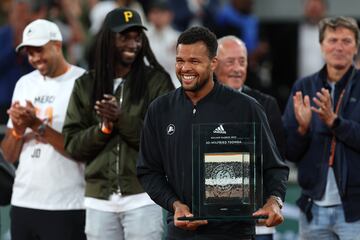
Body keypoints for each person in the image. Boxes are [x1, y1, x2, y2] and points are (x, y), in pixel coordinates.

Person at [137, 26, 288, 240]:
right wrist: (175, 204)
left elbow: (275, 167)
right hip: (181, 231)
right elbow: (148, 170)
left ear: (213, 63)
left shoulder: (247, 108)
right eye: (180, 60)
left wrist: (274, 201)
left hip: (234, 233)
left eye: (194, 61)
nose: (185, 68)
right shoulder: (160, 109)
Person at [62, 8, 174, 240]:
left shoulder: (157, 82)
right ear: (107, 39)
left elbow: (164, 142)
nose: (132, 43)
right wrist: (104, 128)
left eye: (137, 37)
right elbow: (72, 145)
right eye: (125, 37)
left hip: (143, 196)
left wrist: (120, 118)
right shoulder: (86, 84)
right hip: (98, 200)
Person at [0, 19, 86, 240]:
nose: (34, 58)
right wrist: (18, 130)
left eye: (39, 50)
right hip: (23, 201)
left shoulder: (83, 82)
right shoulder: (24, 83)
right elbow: (9, 155)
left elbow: (81, 150)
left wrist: (36, 125)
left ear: (57, 45)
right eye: (29, 52)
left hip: (66, 203)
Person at [282, 16, 360, 240]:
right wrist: (303, 129)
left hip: (355, 211)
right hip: (313, 208)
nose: (338, 47)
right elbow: (289, 152)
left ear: (356, 47)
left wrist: (335, 122)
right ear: (321, 45)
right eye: (332, 40)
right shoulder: (304, 86)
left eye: (346, 41)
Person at [215, 35, 286, 240]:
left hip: (258, 220)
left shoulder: (266, 104)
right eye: (230, 62)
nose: (237, 68)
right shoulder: (198, 105)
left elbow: (277, 161)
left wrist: (271, 201)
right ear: (213, 65)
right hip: (212, 220)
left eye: (242, 61)